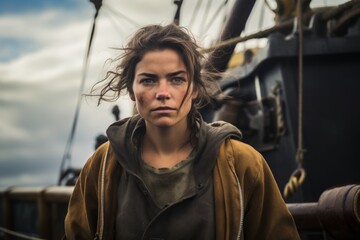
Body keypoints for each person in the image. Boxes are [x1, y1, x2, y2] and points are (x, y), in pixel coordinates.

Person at [64, 24, 300, 240]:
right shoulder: (103, 165)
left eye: (176, 79)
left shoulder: (242, 164)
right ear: (130, 89)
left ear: (195, 88)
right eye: (148, 80)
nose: (163, 92)